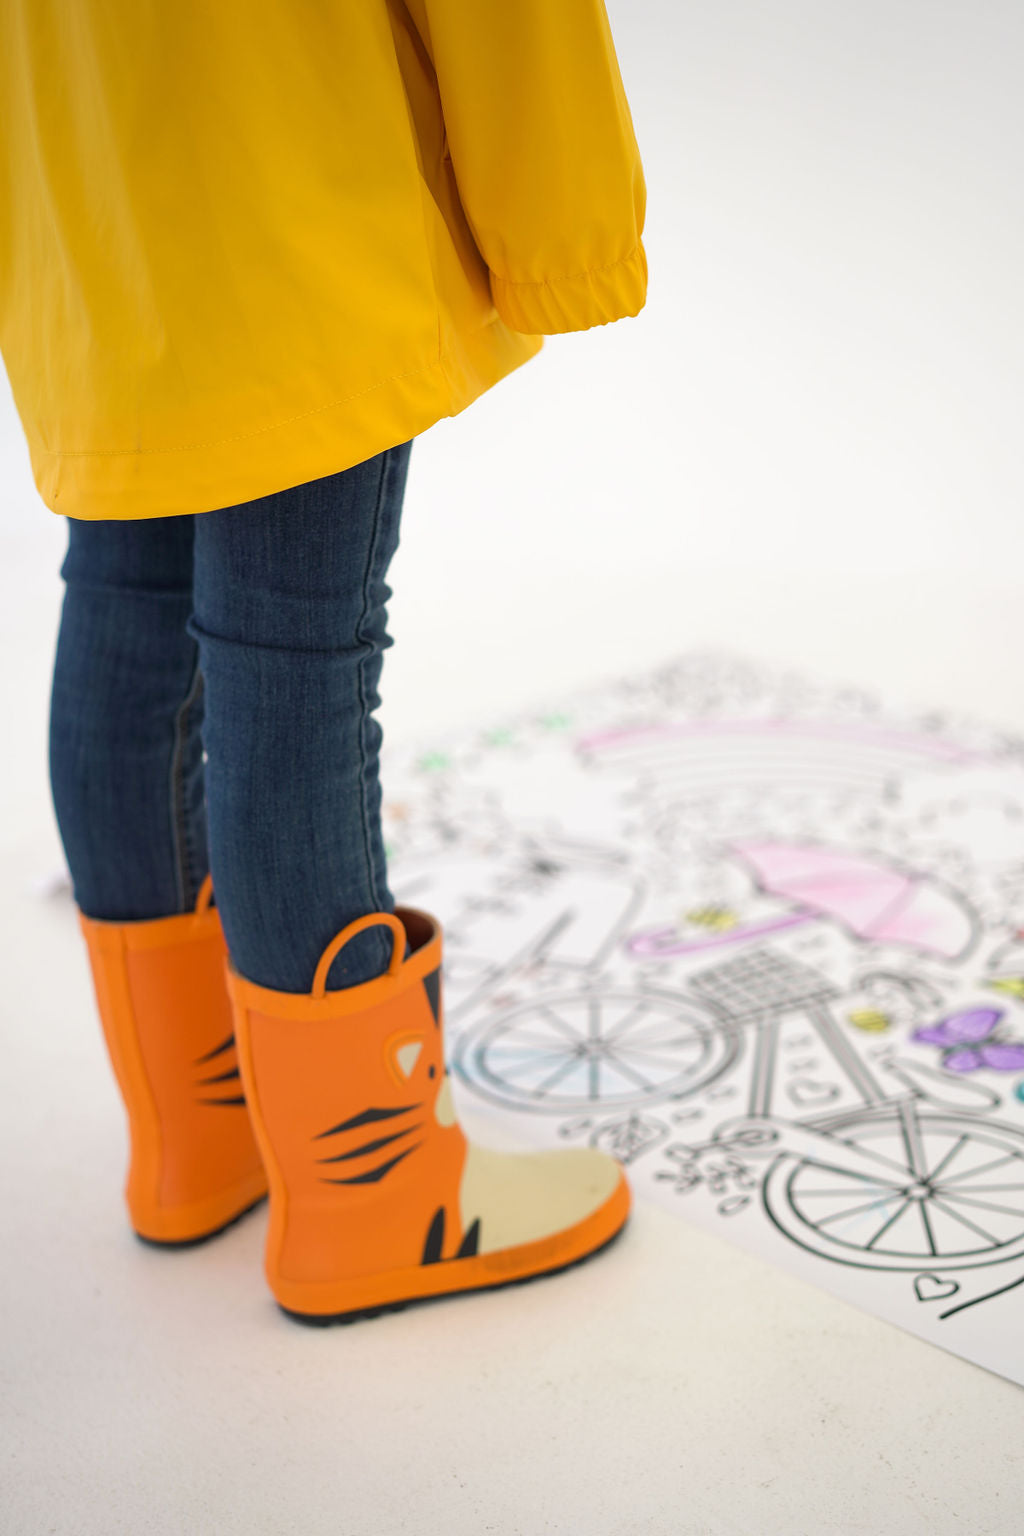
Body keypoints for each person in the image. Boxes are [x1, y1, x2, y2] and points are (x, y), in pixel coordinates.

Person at [0, 0, 648, 1324]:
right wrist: (566, 235)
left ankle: (200, 1140)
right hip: (294, 197)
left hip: (90, 217)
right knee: (294, 661)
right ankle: (374, 1199)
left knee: (123, 619)